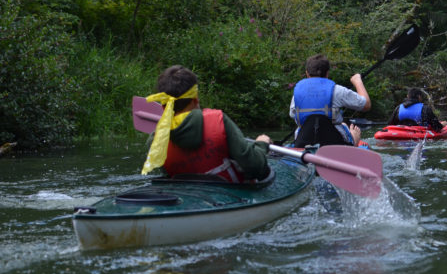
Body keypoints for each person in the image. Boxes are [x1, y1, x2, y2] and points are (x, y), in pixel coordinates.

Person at [141, 65, 272, 183]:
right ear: (195, 98)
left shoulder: (155, 141)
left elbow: (168, 177)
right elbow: (255, 166)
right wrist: (261, 145)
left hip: (185, 201)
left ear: (164, 106)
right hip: (230, 198)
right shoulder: (219, 121)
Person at [290, 54, 371, 147]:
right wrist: (357, 81)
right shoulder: (338, 90)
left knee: (302, 127)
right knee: (344, 125)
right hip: (333, 142)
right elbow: (366, 105)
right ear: (327, 73)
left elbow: (293, 115)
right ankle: (354, 140)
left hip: (304, 141)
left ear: (307, 73)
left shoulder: (297, 94)